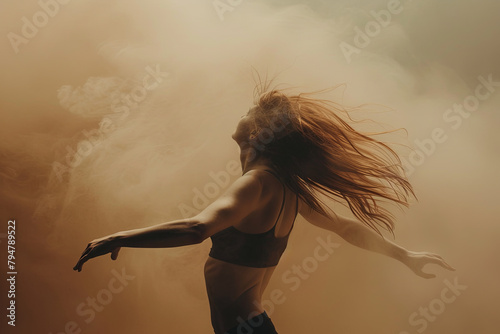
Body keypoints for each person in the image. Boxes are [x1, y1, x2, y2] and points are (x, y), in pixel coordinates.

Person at [74, 86, 455, 334]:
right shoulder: (289, 188)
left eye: (244, 130)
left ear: (256, 137)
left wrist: (118, 236)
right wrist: (404, 255)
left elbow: (196, 229)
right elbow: (344, 227)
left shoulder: (257, 183)